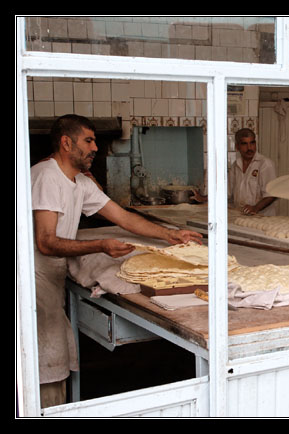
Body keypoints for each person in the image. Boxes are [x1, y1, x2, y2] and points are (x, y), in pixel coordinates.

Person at [30, 114, 203, 408]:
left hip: (51, 276)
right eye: (89, 140)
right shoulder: (47, 176)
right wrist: (100, 245)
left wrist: (170, 235)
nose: (95, 147)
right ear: (66, 143)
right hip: (31, 279)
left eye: (95, 140)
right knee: (41, 359)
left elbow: (122, 217)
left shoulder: (79, 183)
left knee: (52, 356)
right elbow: (45, 242)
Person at [227, 128, 277, 216]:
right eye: (244, 144)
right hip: (241, 216)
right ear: (237, 147)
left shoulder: (265, 164)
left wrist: (255, 208)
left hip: (262, 218)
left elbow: (272, 194)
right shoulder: (236, 165)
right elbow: (227, 193)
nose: (249, 148)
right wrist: (205, 198)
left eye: (252, 143)